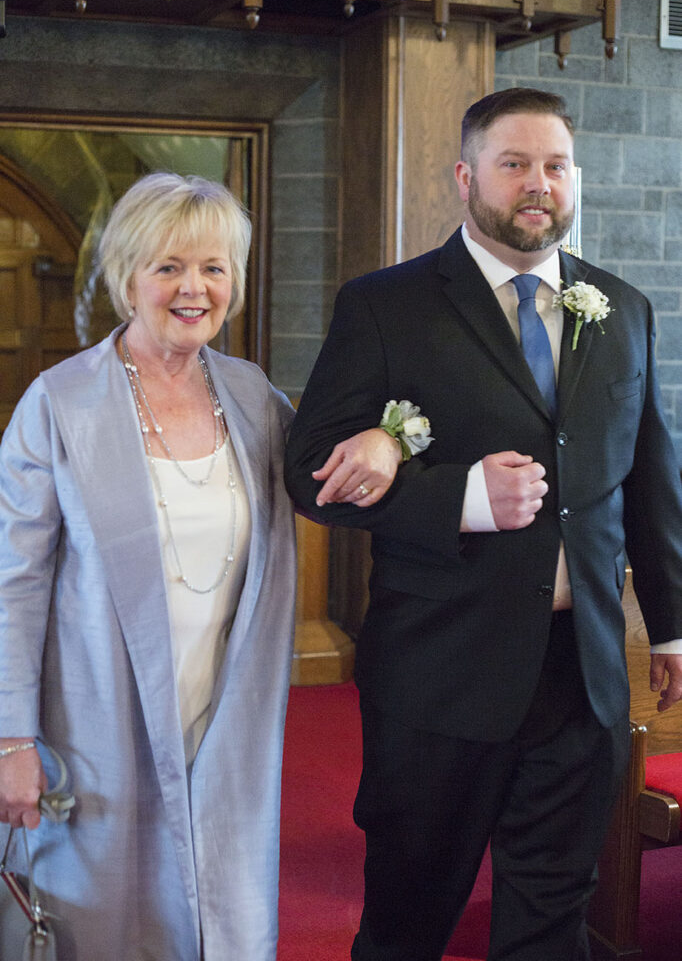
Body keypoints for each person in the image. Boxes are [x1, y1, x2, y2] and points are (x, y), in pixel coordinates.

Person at [284, 88, 682, 961]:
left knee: (551, 922)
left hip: (581, 679)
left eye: (554, 166)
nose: (538, 185)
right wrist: (459, 497)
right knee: (408, 923)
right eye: (515, 165)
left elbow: (650, 481)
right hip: (440, 677)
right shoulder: (386, 305)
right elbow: (308, 476)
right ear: (466, 178)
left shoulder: (623, 309)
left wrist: (674, 628)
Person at [0, 172, 394, 961]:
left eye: (214, 267)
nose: (194, 288)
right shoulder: (60, 403)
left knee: (218, 911)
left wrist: (387, 441)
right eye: (169, 266)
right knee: (104, 917)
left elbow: (333, 478)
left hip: (223, 706)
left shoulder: (256, 400)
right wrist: (10, 740)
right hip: (94, 713)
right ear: (128, 276)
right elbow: (14, 584)